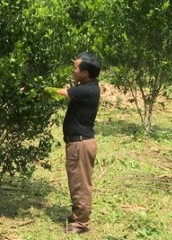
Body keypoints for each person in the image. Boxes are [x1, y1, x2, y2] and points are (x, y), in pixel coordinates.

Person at [57, 52, 101, 234]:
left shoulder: (86, 90)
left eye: (76, 68)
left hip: (80, 144)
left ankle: (81, 223)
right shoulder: (89, 86)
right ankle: (77, 215)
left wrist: (34, 89)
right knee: (76, 181)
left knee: (80, 183)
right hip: (79, 143)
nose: (73, 71)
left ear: (85, 72)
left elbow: (61, 93)